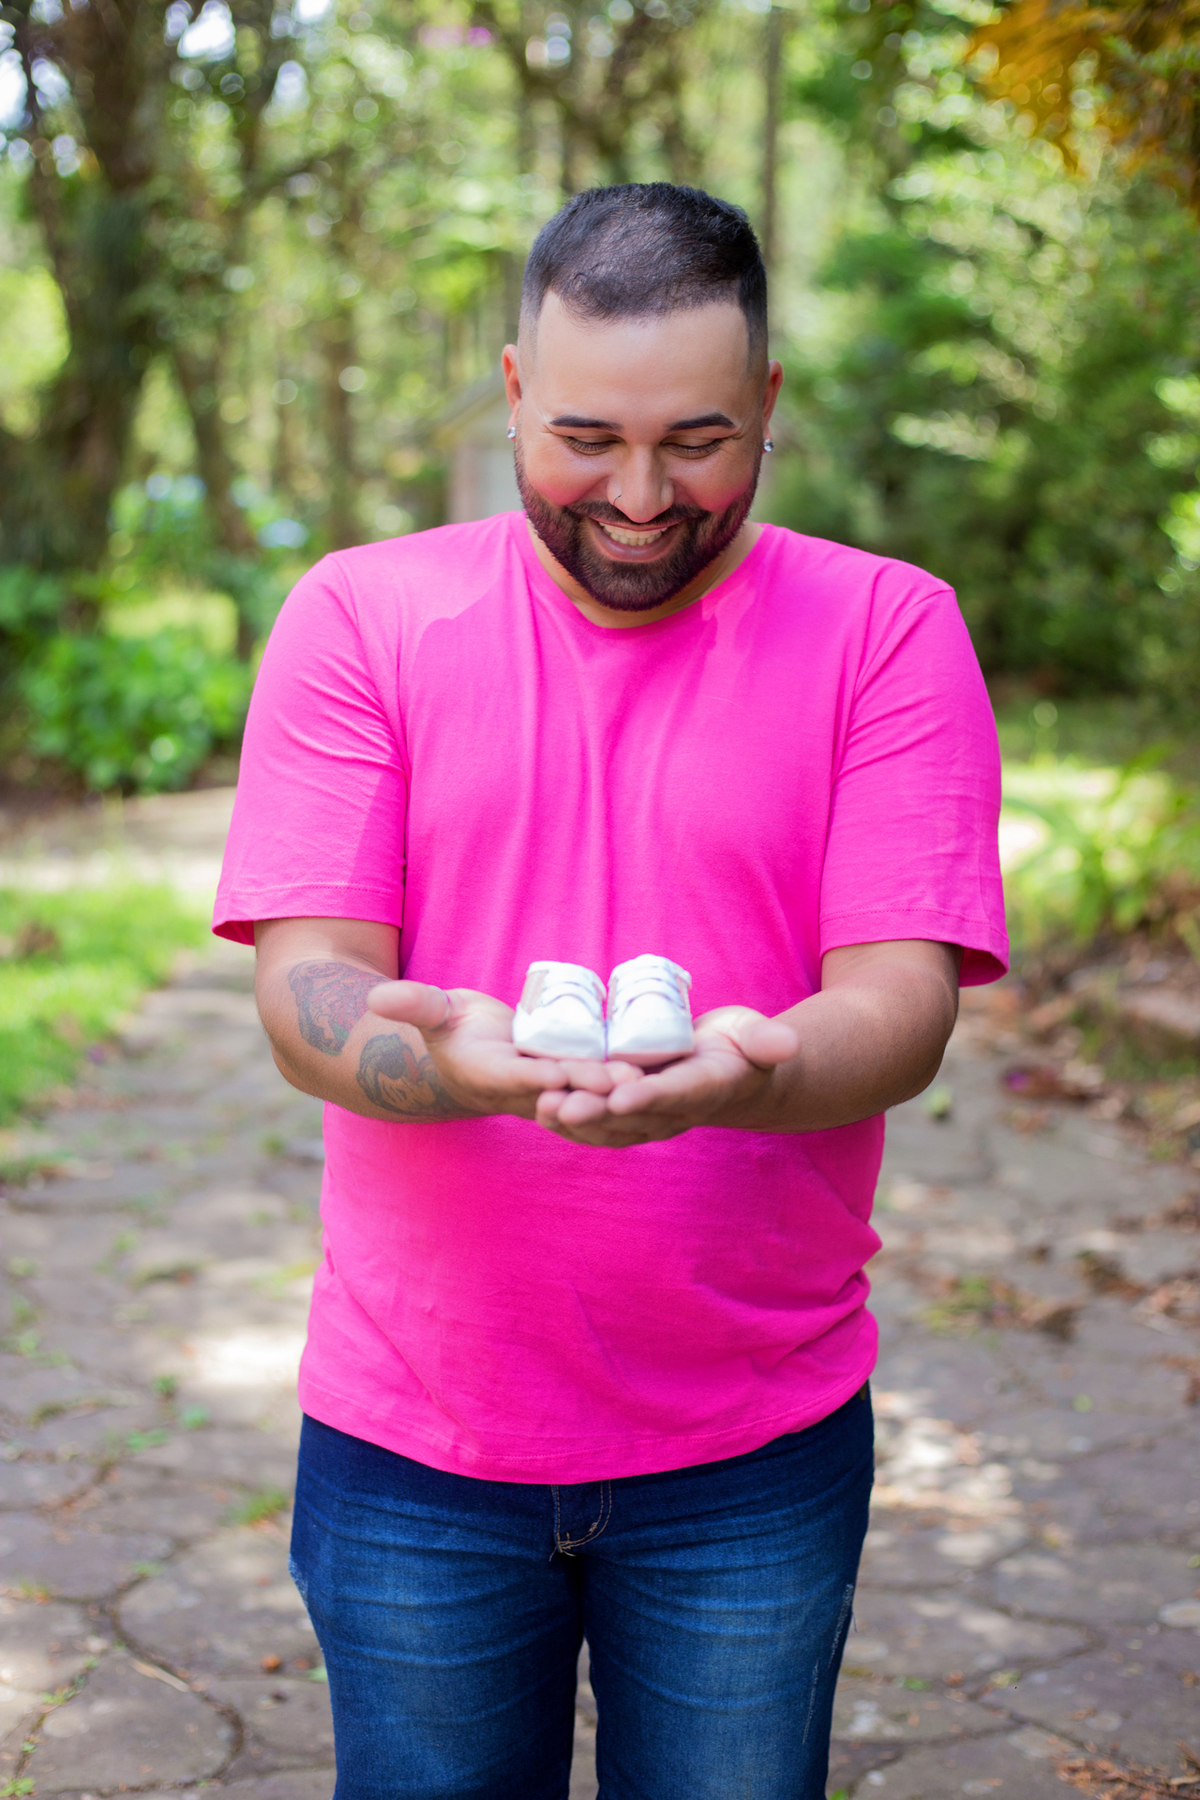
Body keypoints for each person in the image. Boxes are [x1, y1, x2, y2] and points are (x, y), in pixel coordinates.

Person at [214, 181, 1007, 1800]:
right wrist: (448, 1063)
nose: (641, 498)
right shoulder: (362, 618)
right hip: (414, 1440)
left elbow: (903, 1009)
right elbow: (308, 990)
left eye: (700, 442)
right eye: (586, 437)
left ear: (769, 403)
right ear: (512, 387)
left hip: (753, 1445)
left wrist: (750, 1073)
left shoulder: (887, 631)